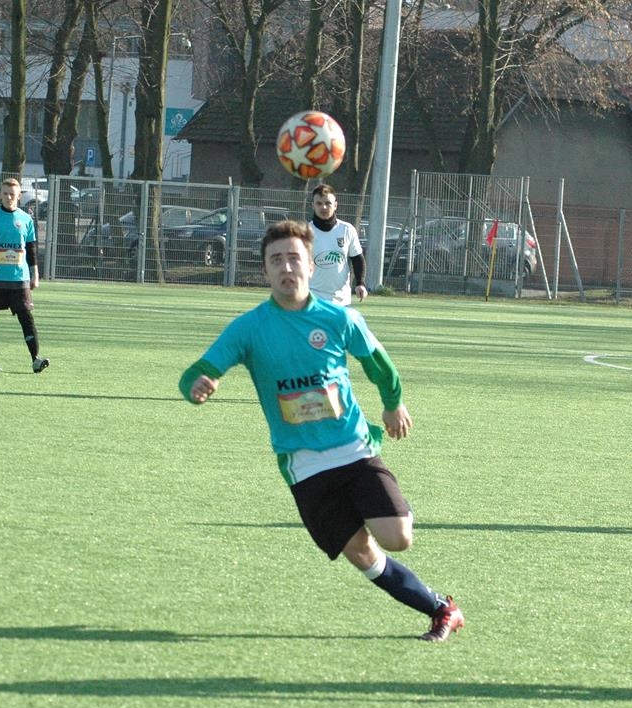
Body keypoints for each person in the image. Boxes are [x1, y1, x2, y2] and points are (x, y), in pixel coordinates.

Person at [179, 219, 463, 641]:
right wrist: (197, 385)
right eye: (276, 260)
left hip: (353, 451)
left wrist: (393, 403)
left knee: (397, 537)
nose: (286, 267)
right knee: (362, 554)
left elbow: (379, 364)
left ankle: (393, 508)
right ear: (265, 271)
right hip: (304, 467)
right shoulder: (248, 328)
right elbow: (197, 372)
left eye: (294, 258)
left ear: (311, 266)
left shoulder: (339, 318)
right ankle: (441, 609)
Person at [0, 177, 49, 373]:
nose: (8, 197)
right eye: (5, 194)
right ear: (0, 194)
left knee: (26, 317)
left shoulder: (26, 219)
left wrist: (35, 273)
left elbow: (31, 249)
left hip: (19, 278)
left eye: (12, 194)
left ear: (19, 196)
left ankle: (36, 359)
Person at [307, 183, 366, 305]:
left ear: (335, 205)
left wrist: (360, 283)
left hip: (341, 300)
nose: (323, 207)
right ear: (313, 205)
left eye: (328, 203)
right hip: (312, 299)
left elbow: (357, 258)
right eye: (319, 203)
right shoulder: (304, 232)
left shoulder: (347, 230)